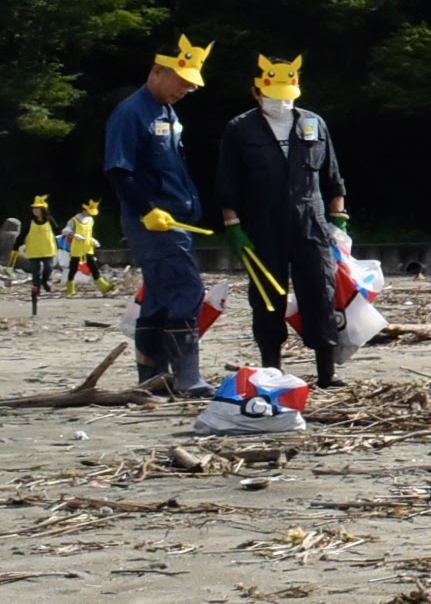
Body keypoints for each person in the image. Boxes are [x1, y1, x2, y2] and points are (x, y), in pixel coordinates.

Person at [214, 54, 351, 386]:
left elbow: (332, 176)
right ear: (257, 92)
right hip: (263, 225)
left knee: (320, 292)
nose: (281, 104)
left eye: (286, 98)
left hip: (311, 222)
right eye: (274, 97)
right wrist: (233, 227)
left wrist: (339, 220)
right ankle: (271, 369)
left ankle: (326, 373)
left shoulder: (314, 124)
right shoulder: (240, 129)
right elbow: (227, 182)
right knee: (266, 299)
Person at [104, 36, 214, 398]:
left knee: (160, 297)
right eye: (180, 81)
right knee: (187, 288)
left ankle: (152, 377)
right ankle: (188, 375)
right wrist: (147, 210)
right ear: (157, 71)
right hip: (153, 220)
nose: (185, 89)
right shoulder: (131, 113)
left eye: (190, 85)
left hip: (175, 218)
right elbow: (120, 171)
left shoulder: (166, 110)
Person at [16, 195, 58, 306]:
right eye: (34, 209)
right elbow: (22, 235)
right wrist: (15, 246)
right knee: (35, 272)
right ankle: (37, 289)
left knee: (48, 268)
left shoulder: (49, 220)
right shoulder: (29, 222)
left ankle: (44, 281)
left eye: (38, 209)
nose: (36, 211)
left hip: (48, 249)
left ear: (43, 210)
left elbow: (57, 232)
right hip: (34, 250)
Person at [65, 199, 104, 293]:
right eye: (89, 212)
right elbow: (65, 230)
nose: (91, 214)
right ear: (84, 210)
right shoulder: (74, 220)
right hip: (77, 249)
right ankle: (70, 288)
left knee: (93, 266)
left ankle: (103, 286)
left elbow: (89, 234)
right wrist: (74, 234)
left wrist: (93, 240)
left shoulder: (91, 220)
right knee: (73, 268)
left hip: (87, 248)